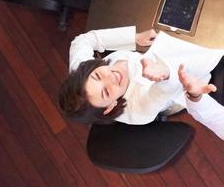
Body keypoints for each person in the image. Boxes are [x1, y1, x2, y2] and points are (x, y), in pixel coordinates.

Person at [57, 26, 187, 124]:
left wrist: (135, 37)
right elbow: (171, 86)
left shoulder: (83, 74)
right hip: (177, 86)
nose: (111, 78)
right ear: (109, 107)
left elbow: (81, 41)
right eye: (106, 92)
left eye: (97, 76)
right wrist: (165, 73)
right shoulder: (140, 110)